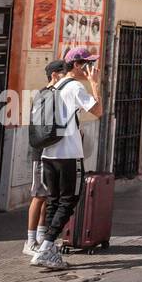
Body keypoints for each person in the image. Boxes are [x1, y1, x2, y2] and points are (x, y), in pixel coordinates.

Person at [32, 46, 103, 270]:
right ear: (77, 65)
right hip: (69, 155)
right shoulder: (74, 87)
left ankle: (47, 247)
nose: (91, 68)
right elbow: (98, 111)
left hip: (48, 153)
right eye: (88, 64)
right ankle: (46, 249)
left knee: (54, 201)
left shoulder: (55, 85)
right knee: (69, 201)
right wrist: (94, 85)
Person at [24, 60, 67, 256]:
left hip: (52, 152)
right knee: (39, 195)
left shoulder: (52, 95)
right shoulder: (45, 95)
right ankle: (30, 241)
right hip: (42, 152)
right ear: (55, 75)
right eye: (63, 72)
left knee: (48, 197)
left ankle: (41, 237)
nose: (66, 75)